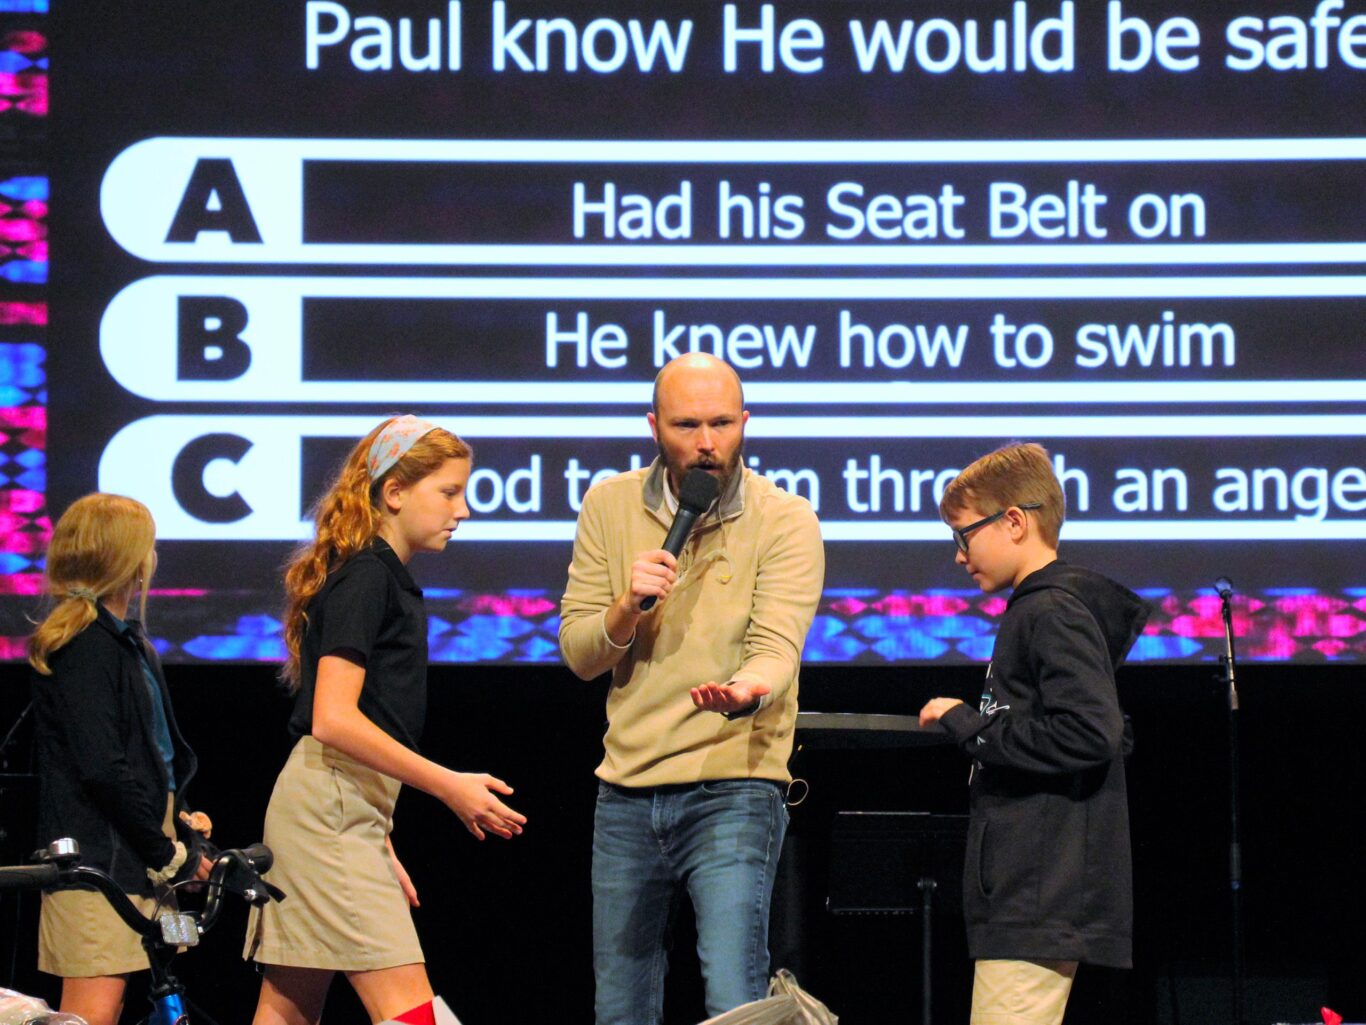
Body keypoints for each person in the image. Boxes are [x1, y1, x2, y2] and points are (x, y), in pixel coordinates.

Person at [560, 353, 825, 1024]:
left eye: (721, 423)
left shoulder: (785, 517)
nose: (707, 442)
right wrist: (625, 606)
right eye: (686, 425)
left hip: (734, 784)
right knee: (620, 1001)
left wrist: (746, 690)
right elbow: (580, 653)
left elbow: (776, 645)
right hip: (625, 790)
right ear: (654, 425)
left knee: (734, 995)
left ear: (745, 422)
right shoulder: (609, 503)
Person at [246, 415, 527, 1025]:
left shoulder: (378, 576)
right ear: (395, 493)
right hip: (328, 813)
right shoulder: (367, 577)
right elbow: (334, 720)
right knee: (409, 1010)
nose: (463, 510)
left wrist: (380, 835)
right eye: (449, 492)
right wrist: (449, 784)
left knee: (288, 1005)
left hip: (338, 810)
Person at [918, 443, 1151, 1025]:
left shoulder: (1050, 611)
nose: (958, 555)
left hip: (1037, 896)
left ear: (1014, 522)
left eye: (964, 535)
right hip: (1032, 894)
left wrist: (968, 724)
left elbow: (1092, 732)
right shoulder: (1038, 609)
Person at [29, 493, 214, 1025]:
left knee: (162, 988)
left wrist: (186, 842)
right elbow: (102, 769)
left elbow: (157, 760)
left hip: (145, 856)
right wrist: (167, 853)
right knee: (93, 1010)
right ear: (133, 561)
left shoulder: (132, 647)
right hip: (100, 864)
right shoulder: (85, 645)